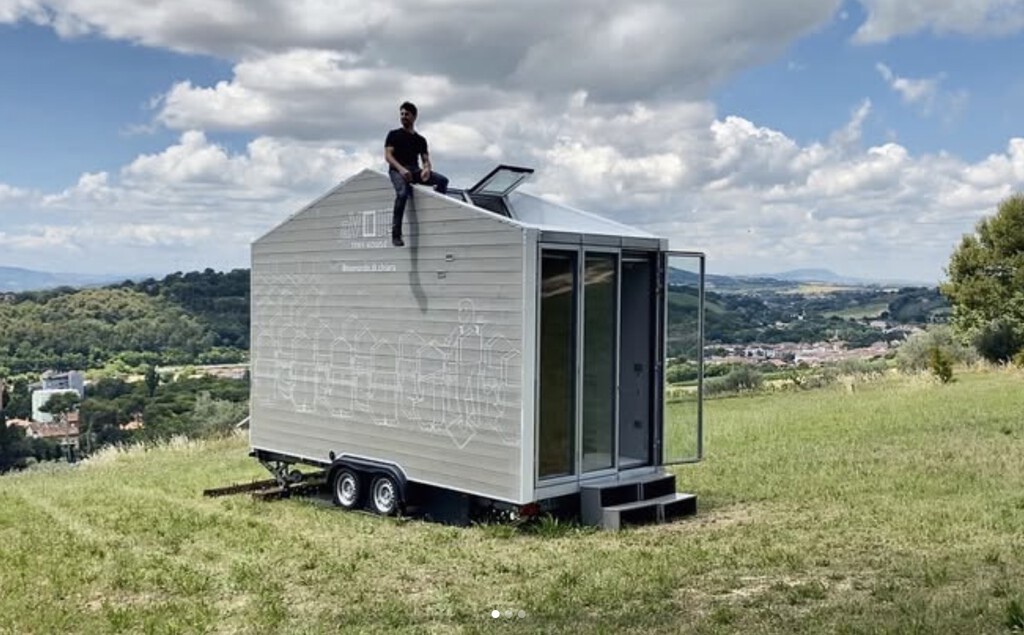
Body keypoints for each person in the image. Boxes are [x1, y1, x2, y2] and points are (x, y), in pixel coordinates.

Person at [384, 101, 449, 246]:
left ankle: (437, 214)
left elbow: (426, 160)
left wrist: (426, 169)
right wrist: (401, 170)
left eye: (407, 114)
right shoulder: (393, 134)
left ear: (414, 117)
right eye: (401, 114)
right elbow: (388, 156)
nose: (403, 116)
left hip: (414, 170)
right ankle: (396, 235)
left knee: (443, 181)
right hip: (397, 170)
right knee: (402, 194)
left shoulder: (420, 140)